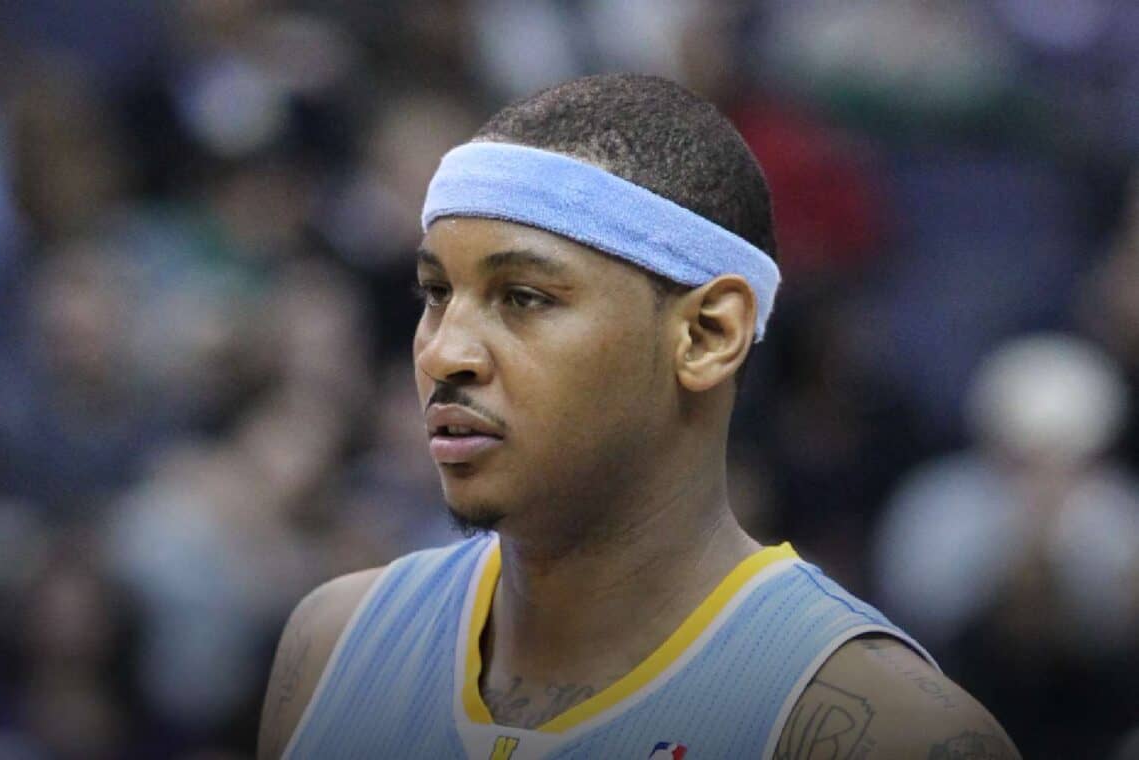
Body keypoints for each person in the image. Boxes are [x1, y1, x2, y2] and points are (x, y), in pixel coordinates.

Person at [257, 73, 1020, 759]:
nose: (444, 352)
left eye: (523, 297)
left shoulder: (885, 728)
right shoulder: (332, 642)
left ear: (707, 335)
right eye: (436, 294)